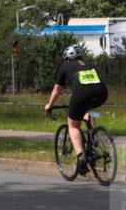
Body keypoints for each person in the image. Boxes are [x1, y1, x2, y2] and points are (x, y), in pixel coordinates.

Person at [44, 44, 108, 175]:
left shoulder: (65, 66)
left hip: (81, 94)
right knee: (87, 110)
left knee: (72, 125)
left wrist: (49, 105)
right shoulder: (88, 64)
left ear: (67, 59)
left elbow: (57, 90)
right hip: (101, 93)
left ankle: (81, 156)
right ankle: (93, 136)